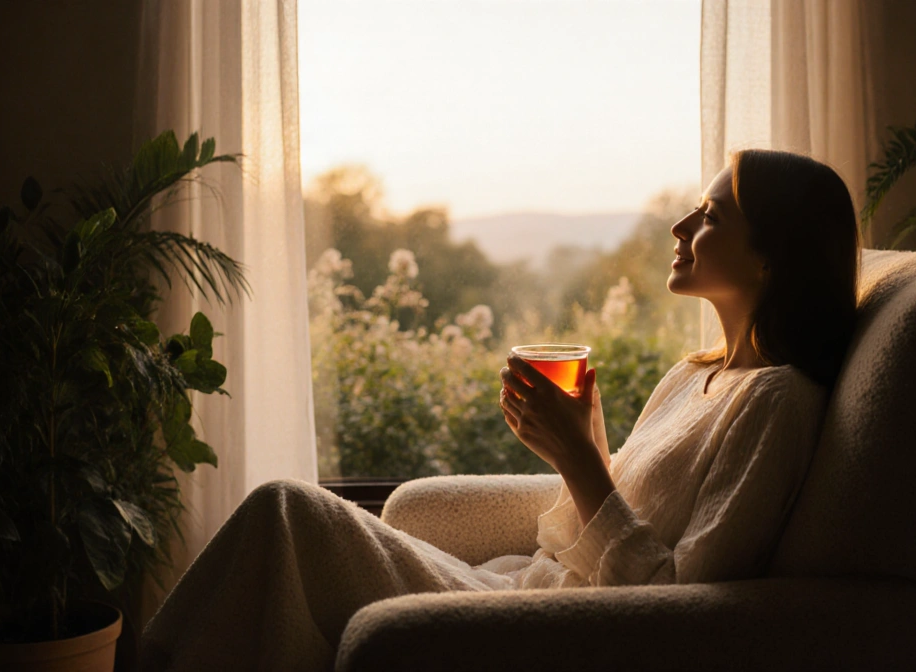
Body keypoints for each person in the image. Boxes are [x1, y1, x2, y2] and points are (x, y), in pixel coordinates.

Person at [139, 149, 859, 671]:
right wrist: (581, 445)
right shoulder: (692, 376)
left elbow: (684, 608)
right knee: (286, 539)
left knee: (288, 513)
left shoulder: (778, 404)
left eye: (709, 215)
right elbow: (608, 518)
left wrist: (580, 460)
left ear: (771, 256)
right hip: (527, 585)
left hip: (563, 626)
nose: (678, 226)